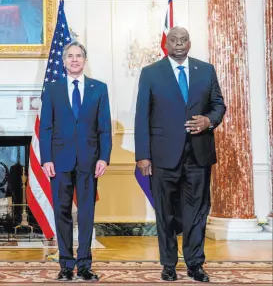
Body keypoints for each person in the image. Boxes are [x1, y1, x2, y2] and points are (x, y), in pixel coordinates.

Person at [134, 26, 226, 283]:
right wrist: (143, 156)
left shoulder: (205, 70)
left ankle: (195, 264)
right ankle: (168, 265)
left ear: (189, 43)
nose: (178, 44)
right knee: (166, 213)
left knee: (197, 212)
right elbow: (142, 116)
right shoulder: (151, 73)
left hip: (199, 154)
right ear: (167, 44)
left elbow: (219, 105)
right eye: (173, 40)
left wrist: (208, 120)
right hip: (162, 156)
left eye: (183, 40)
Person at [39, 41, 112, 281]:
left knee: (87, 213)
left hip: (89, 161)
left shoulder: (99, 89)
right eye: (69, 56)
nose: (74, 60)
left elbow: (104, 128)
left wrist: (104, 157)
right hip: (59, 160)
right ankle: (65, 265)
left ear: (85, 59)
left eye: (78, 56)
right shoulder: (52, 89)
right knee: (62, 212)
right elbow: (46, 127)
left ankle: (84, 265)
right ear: (63, 60)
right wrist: (46, 159)